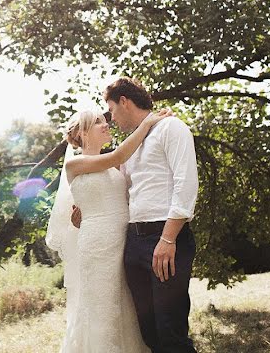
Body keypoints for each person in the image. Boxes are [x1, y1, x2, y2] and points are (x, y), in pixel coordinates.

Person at [72, 77, 200, 353]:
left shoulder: (171, 128)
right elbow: (123, 193)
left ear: (124, 102)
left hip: (165, 238)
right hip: (133, 244)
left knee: (171, 330)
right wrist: (87, 206)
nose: (111, 120)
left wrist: (167, 240)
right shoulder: (131, 146)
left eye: (112, 111)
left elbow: (186, 185)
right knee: (148, 332)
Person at [46, 105, 173, 352]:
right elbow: (117, 157)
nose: (106, 124)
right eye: (97, 122)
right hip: (97, 246)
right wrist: (147, 123)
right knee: (101, 311)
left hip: (125, 243)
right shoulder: (76, 165)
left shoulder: (115, 166)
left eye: (105, 120)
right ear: (82, 134)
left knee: (127, 309)